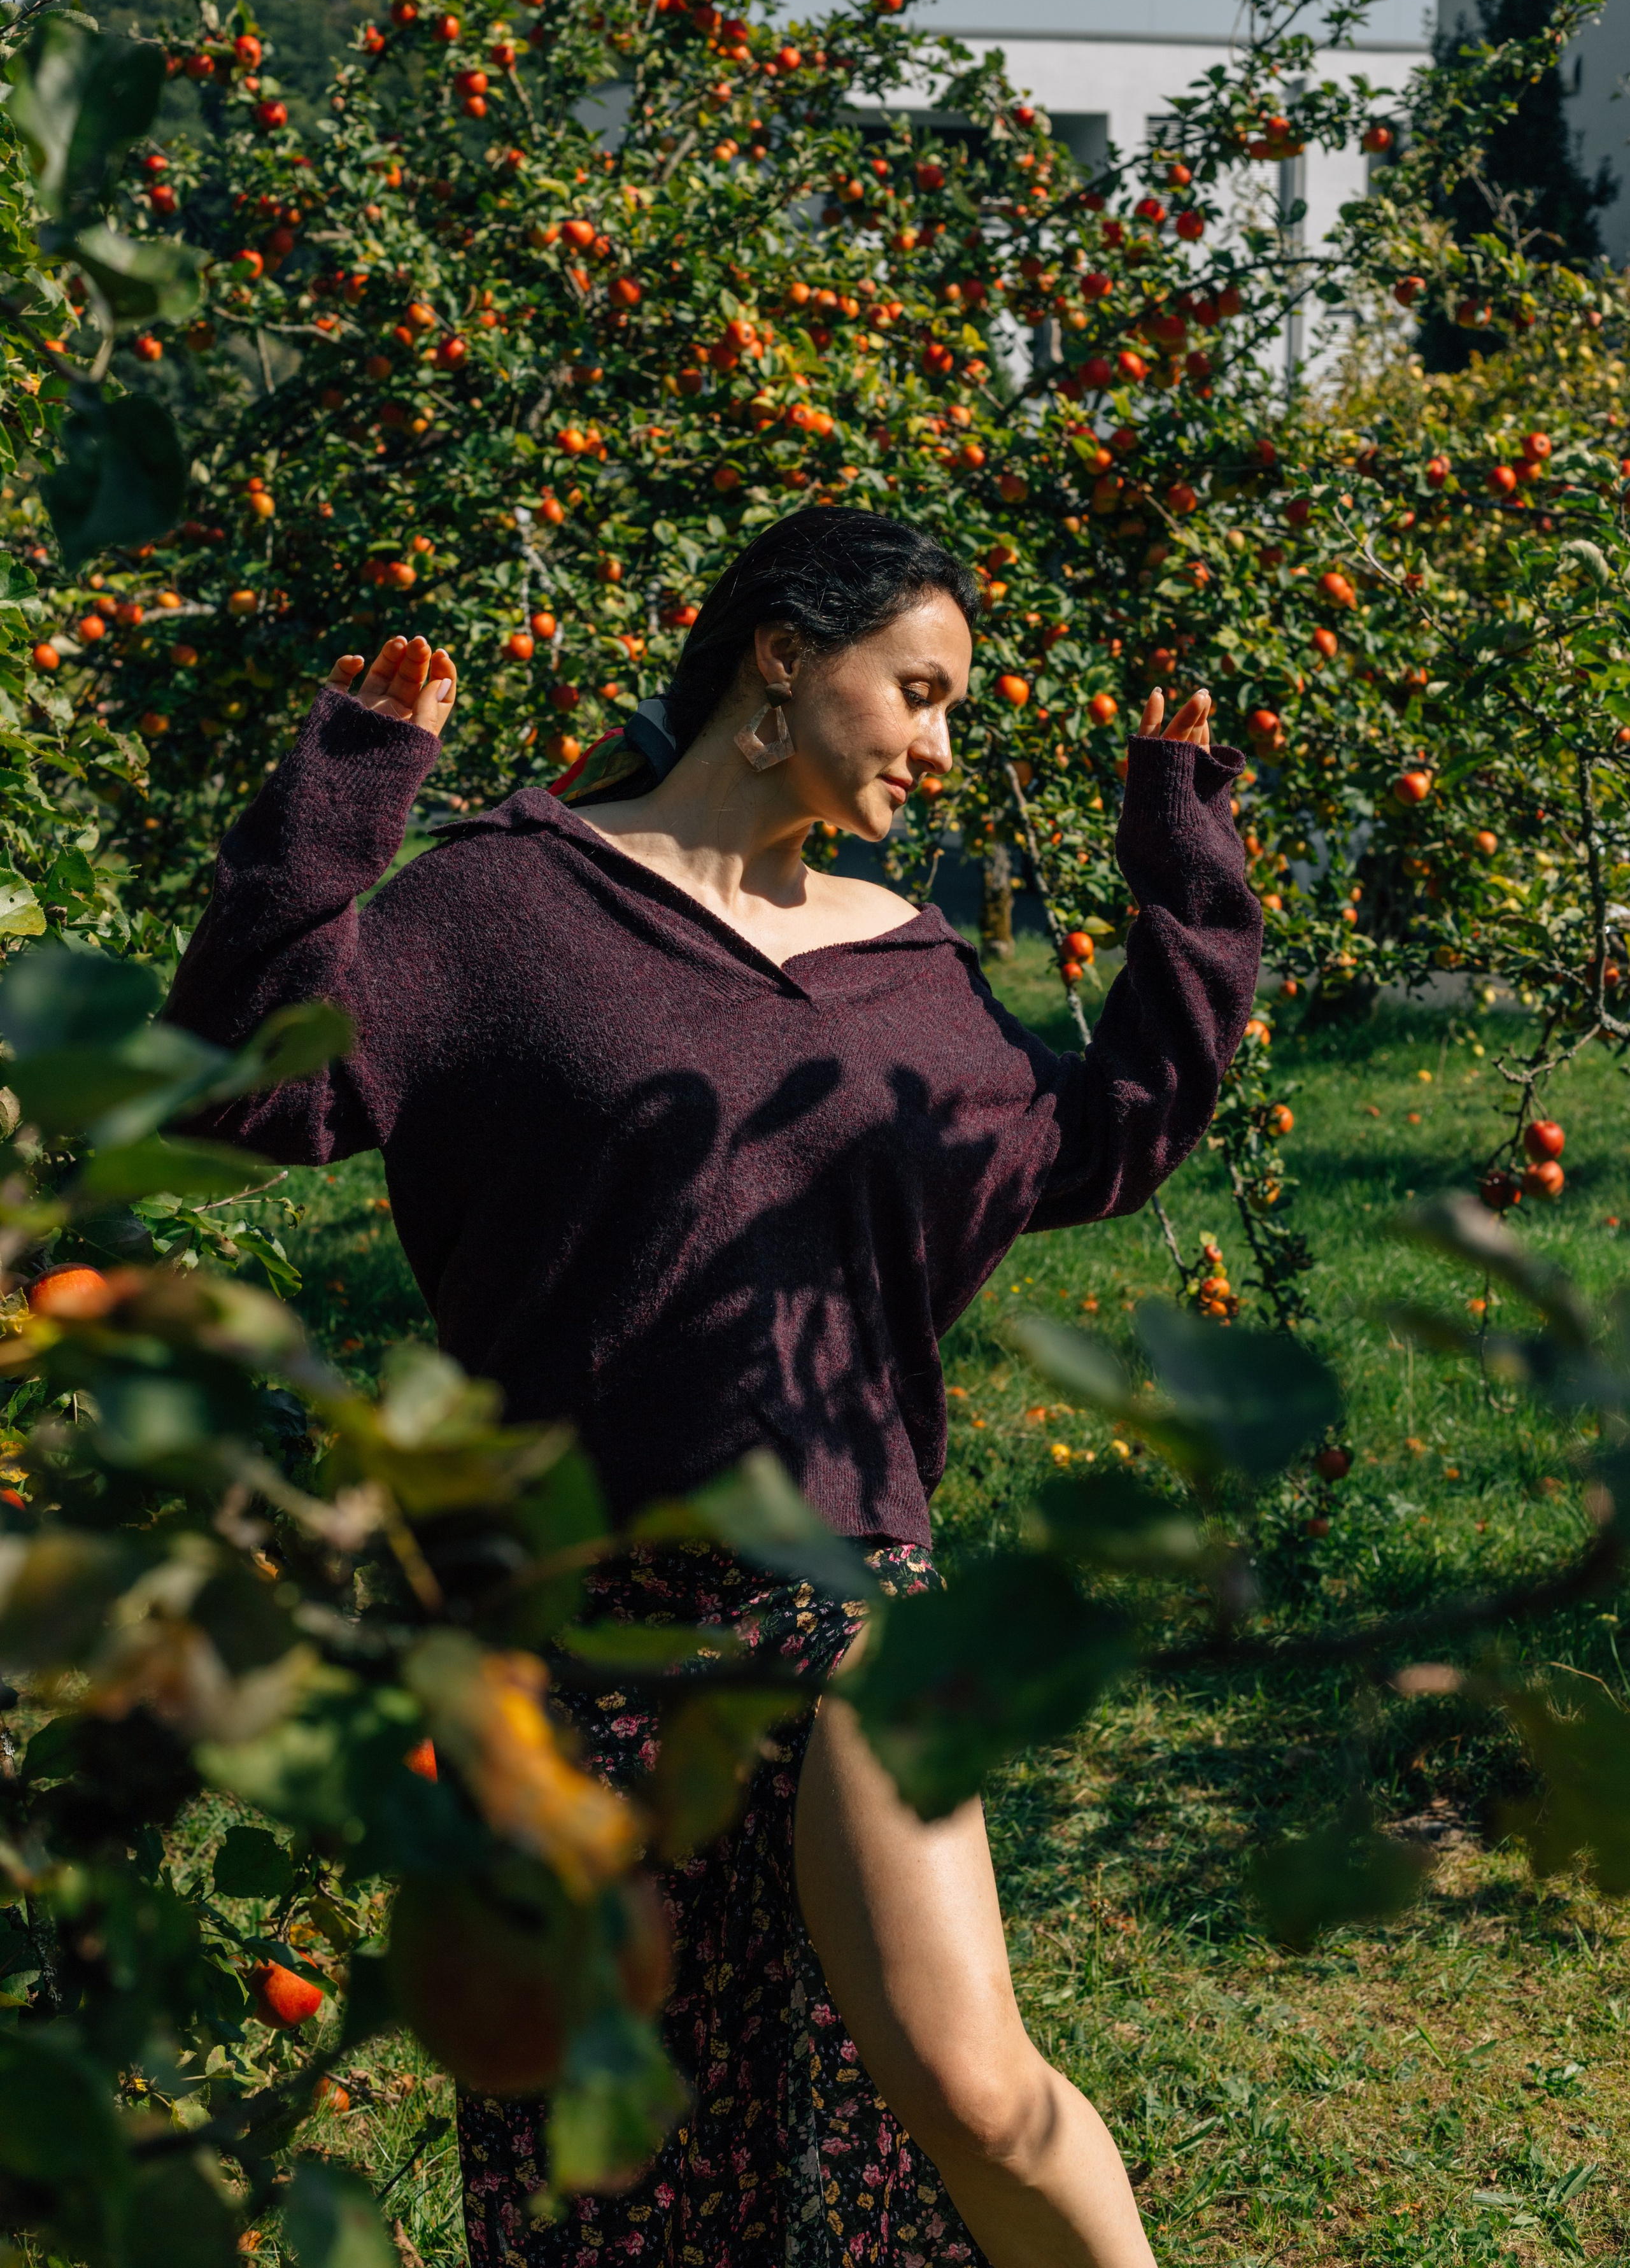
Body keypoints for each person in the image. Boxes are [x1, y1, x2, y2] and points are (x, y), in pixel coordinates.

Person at [166, 507, 1262, 2268]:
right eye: (920, 690)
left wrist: (1186, 857)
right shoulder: (505, 908)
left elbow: (1108, 1131)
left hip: (845, 1588)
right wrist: (347, 798)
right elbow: (232, 1089)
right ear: (780, 654)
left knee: (966, 2088)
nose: (943, 744)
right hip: (563, 1633)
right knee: (629, 2170)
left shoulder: (916, 974)